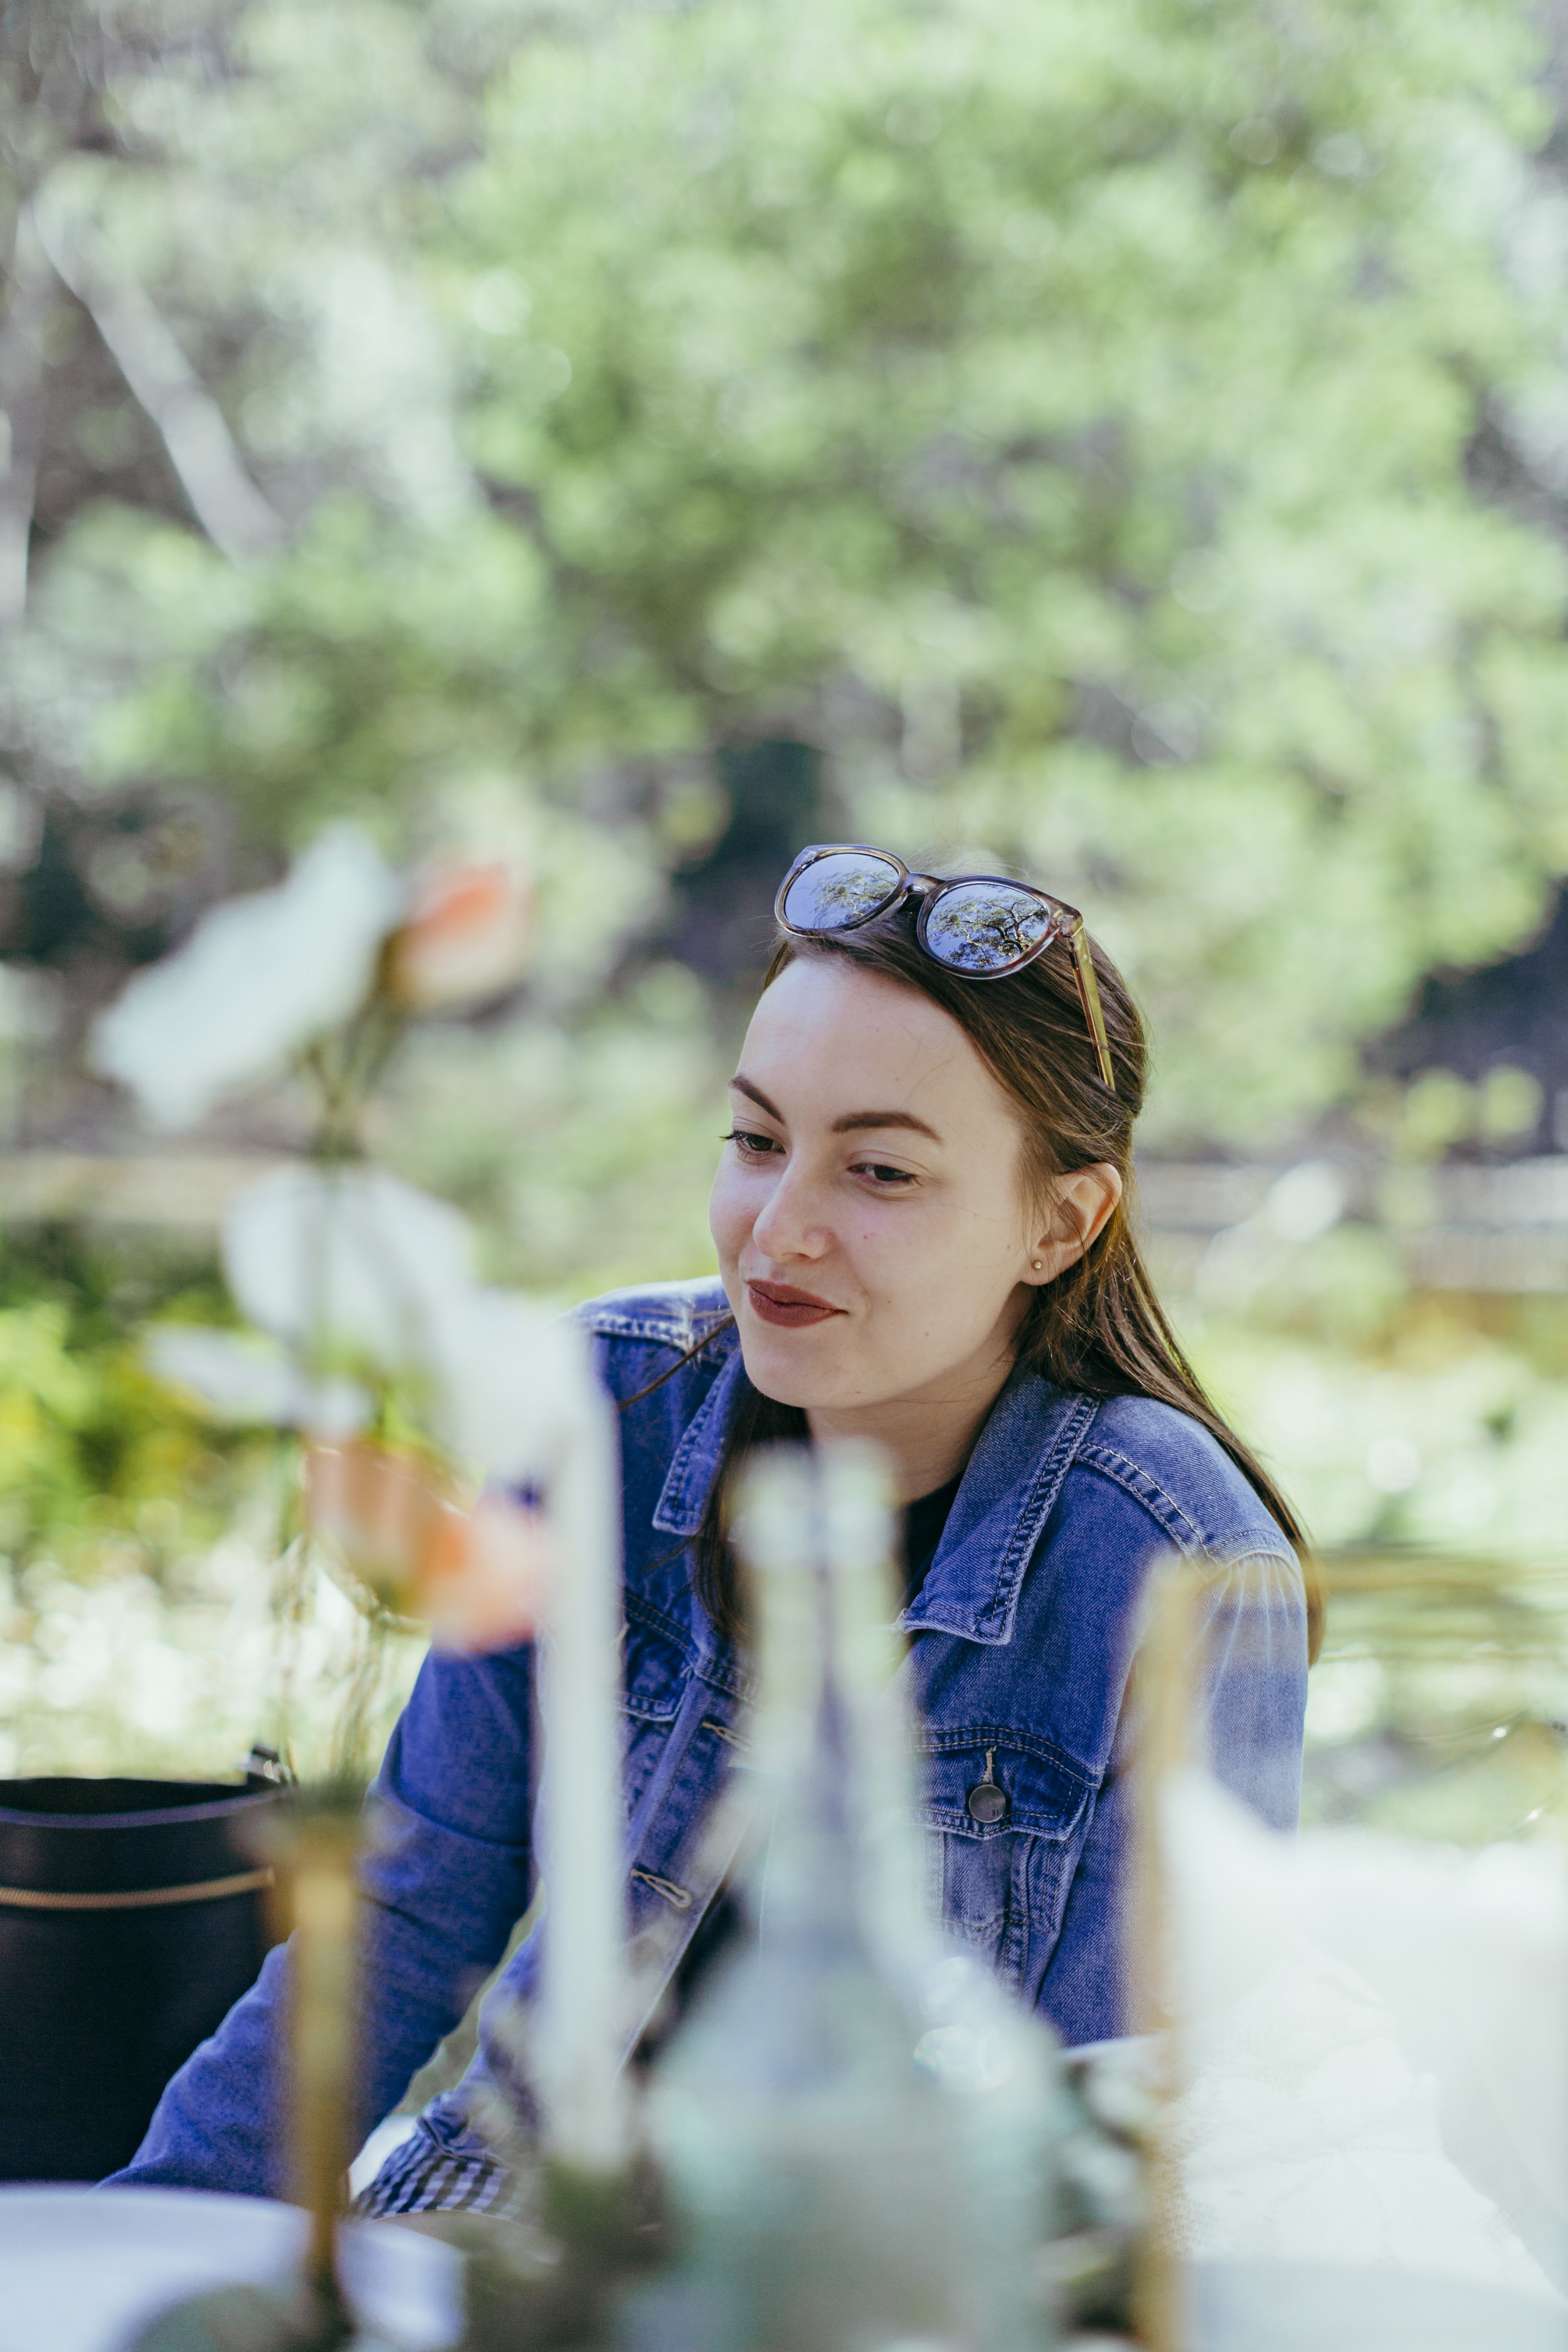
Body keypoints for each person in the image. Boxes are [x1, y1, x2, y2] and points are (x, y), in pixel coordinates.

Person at [105, 844, 1313, 2213]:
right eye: (754, 1142)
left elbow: (1122, 2128)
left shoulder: (1174, 1562)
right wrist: (151, 2247)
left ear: (1059, 1223)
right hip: (516, 2236)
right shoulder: (601, 1413)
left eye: (880, 1174)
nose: (776, 1230)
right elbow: (404, 1916)